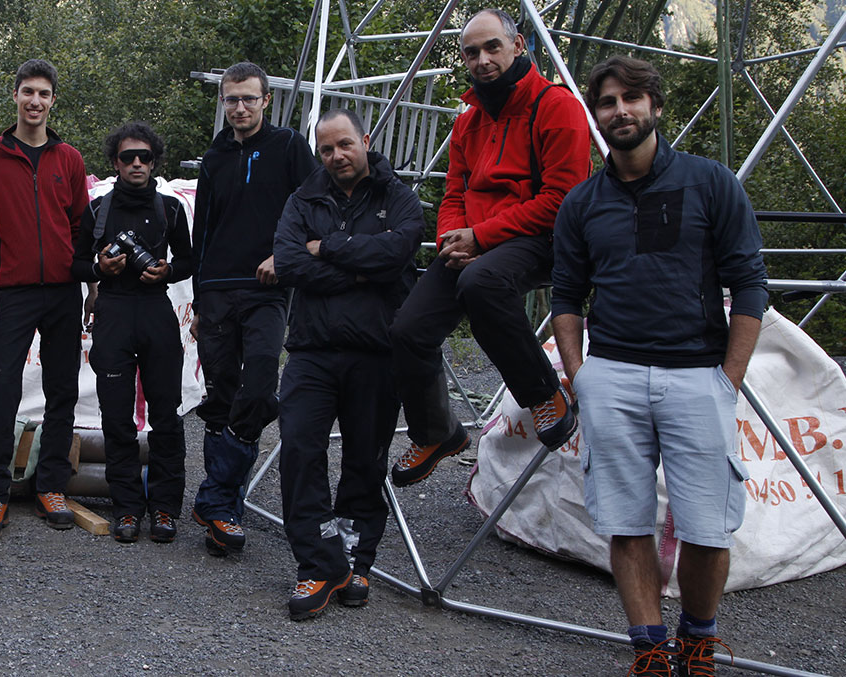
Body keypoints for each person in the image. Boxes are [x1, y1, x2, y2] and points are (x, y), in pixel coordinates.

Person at [552, 55, 766, 676]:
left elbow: (750, 285)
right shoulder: (583, 202)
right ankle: (648, 649)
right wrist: (579, 375)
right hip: (612, 373)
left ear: (656, 107)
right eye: (608, 102)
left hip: (698, 374)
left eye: (632, 99)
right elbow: (566, 295)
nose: (620, 111)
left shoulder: (710, 183)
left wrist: (729, 380)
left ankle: (697, 642)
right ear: (597, 115)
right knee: (626, 520)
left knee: (707, 526)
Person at [387, 8, 592, 487]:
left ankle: (545, 392)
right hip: (475, 244)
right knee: (408, 330)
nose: (481, 60)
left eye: (491, 47)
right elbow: (454, 193)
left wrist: (481, 237)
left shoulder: (556, 106)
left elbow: (563, 200)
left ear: (518, 46)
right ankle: (438, 431)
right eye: (471, 52)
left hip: (539, 238)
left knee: (483, 282)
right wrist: (452, 239)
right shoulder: (469, 120)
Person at [272, 109, 423, 620]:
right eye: (326, 150)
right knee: (299, 451)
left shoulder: (397, 197)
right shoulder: (303, 199)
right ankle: (319, 563)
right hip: (312, 351)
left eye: (345, 145)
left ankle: (357, 561)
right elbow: (290, 264)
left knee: (365, 460)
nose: (336, 156)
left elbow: (399, 253)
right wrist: (362, 272)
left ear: (364, 141)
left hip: (376, 354)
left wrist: (329, 249)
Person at [189, 61, 320, 556]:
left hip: (266, 287)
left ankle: (216, 496)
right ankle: (224, 516)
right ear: (223, 102)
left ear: (266, 100)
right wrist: (199, 300)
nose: (239, 107)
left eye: (248, 98)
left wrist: (283, 256)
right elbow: (203, 233)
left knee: (261, 386)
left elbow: (315, 209)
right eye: (230, 99)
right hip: (218, 289)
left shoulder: (288, 147)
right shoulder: (214, 157)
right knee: (222, 393)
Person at [0, 58, 90, 541]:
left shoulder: (70, 159)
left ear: (53, 99)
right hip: (13, 292)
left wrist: (92, 289)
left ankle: (51, 486)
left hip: (63, 291)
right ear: (14, 96)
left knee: (62, 390)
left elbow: (82, 229)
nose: (35, 101)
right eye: (27, 92)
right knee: (2, 390)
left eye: (43, 93)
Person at [71, 122, 193, 544]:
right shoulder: (97, 209)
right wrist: (98, 270)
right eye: (128, 157)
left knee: (166, 417)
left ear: (155, 161)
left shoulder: (170, 208)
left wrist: (169, 270)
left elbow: (191, 261)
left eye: (144, 157)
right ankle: (126, 508)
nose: (136, 163)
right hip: (114, 315)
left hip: (157, 313)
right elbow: (74, 263)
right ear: (115, 163)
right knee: (117, 419)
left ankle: (164, 509)